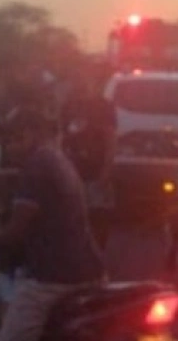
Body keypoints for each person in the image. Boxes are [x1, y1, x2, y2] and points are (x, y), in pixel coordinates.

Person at [0, 107, 106, 341]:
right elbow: (29, 180)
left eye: (15, 139)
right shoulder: (53, 158)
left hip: (52, 278)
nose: (10, 147)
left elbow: (16, 231)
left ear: (31, 134)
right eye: (7, 141)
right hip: (87, 270)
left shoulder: (36, 167)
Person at [61, 74, 117, 249]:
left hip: (95, 171)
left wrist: (106, 172)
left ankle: (96, 254)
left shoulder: (103, 107)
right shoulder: (69, 106)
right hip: (72, 172)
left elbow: (110, 140)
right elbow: (62, 137)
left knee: (97, 218)